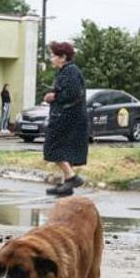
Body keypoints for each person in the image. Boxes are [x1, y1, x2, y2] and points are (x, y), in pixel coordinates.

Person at [42, 41, 89, 196]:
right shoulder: (65, 71)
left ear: (63, 57)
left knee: (52, 148)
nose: (51, 59)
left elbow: (73, 94)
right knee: (67, 151)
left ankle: (71, 177)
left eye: (53, 56)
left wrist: (53, 96)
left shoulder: (71, 71)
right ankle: (66, 185)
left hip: (68, 118)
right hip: (69, 117)